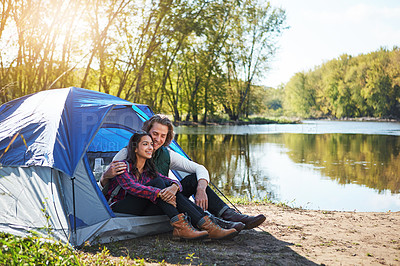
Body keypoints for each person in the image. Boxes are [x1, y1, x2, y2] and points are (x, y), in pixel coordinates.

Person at [99, 114, 266, 230]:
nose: (157, 139)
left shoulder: (166, 154)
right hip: (136, 202)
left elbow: (199, 168)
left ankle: (229, 215)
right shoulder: (126, 153)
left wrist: (200, 189)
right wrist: (106, 176)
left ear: (167, 138)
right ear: (146, 132)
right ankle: (212, 222)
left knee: (193, 179)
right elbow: (108, 188)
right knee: (160, 183)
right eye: (154, 134)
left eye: (163, 136)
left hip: (159, 200)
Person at [105, 131, 238, 240]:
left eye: (151, 144)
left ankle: (202, 226)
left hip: (143, 208)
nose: (150, 147)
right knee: (159, 184)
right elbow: (133, 188)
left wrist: (173, 188)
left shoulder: (148, 170)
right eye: (145, 144)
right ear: (135, 148)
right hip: (121, 207)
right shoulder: (123, 166)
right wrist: (159, 192)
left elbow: (171, 181)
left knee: (165, 183)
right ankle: (198, 225)